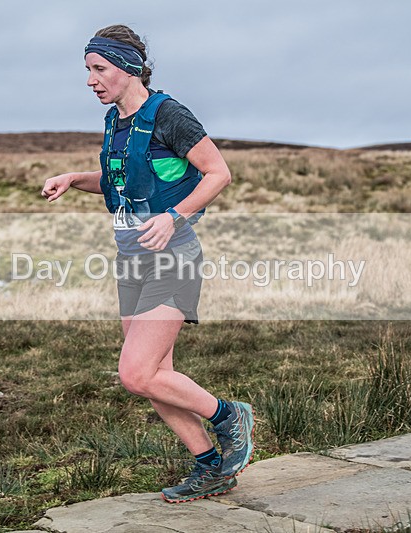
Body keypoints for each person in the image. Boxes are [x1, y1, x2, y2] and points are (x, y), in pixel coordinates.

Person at [41, 24, 254, 503]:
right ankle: (211, 467)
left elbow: (218, 173)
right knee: (158, 378)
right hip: (131, 262)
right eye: (88, 71)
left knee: (136, 373)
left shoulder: (169, 114)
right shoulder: (116, 119)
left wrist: (174, 216)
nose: (91, 80)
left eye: (100, 69)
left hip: (173, 259)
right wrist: (76, 178)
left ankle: (228, 416)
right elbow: (121, 179)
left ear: (129, 68)